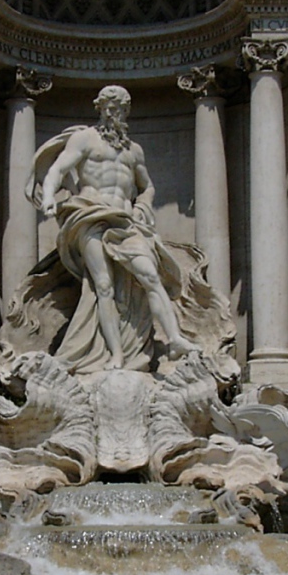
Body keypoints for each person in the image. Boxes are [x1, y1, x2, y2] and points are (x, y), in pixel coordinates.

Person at [34, 85, 196, 372]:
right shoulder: (85, 139)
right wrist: (48, 196)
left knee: (149, 275)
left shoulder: (134, 151)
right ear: (99, 108)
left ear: (126, 112)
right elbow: (57, 170)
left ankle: (174, 338)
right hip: (89, 215)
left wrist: (143, 206)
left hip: (125, 221)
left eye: (119, 108)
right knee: (104, 286)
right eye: (108, 107)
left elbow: (147, 187)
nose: (113, 112)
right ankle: (116, 355)